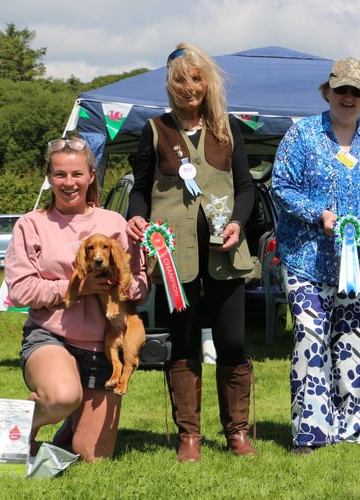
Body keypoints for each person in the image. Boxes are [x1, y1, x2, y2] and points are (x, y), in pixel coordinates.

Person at [125, 43, 257, 461]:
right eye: (181, 80)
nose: (189, 88)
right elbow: (140, 191)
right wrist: (136, 218)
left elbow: (247, 187)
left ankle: (236, 432)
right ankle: (190, 437)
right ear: (170, 84)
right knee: (182, 343)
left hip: (227, 252)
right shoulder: (154, 130)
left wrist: (238, 221)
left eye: (197, 78)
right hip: (172, 255)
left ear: (208, 82)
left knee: (232, 341)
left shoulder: (227, 128)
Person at [270, 57, 360, 454]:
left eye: (356, 92)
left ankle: (349, 433)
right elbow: (281, 185)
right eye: (341, 90)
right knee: (311, 337)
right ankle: (310, 432)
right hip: (306, 259)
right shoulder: (301, 135)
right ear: (328, 92)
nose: (348, 97)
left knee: (355, 343)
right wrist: (317, 215)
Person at [5, 136, 148, 462]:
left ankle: (72, 421)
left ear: (91, 175)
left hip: (101, 347)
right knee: (62, 395)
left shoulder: (114, 222)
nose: (69, 183)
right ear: (49, 177)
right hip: (51, 336)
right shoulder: (32, 225)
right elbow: (20, 290)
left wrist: (126, 287)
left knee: (91, 457)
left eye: (76, 174)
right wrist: (75, 289)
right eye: (60, 175)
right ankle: (22, 422)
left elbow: (140, 282)